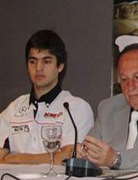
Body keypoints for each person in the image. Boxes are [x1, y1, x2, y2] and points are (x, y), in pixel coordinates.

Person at [0, 30, 93, 164]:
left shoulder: (76, 107)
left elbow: (68, 158)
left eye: (46, 61)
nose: (38, 68)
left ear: (60, 66)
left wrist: (16, 158)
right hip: (13, 179)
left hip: (57, 179)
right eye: (33, 61)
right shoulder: (14, 108)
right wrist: (52, 157)